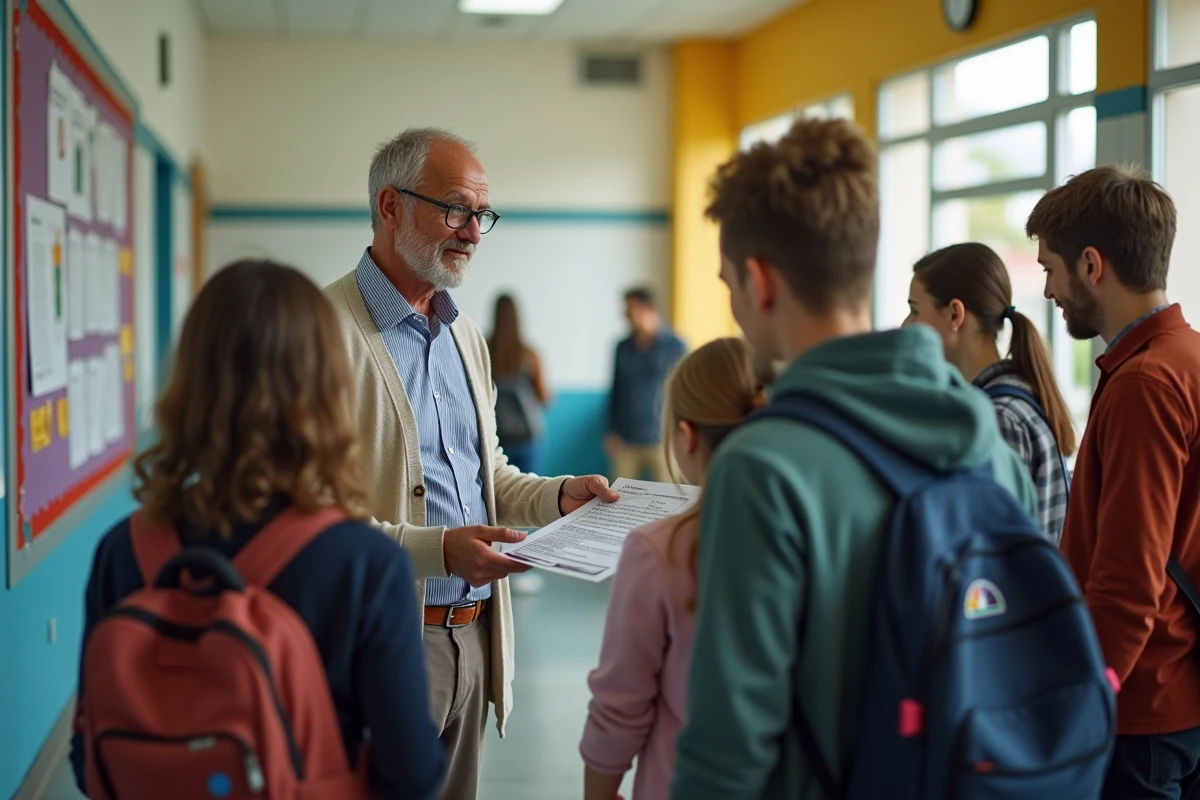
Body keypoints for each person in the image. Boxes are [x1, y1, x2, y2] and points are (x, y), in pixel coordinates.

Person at [670, 118, 1037, 799]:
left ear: (759, 281)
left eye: (728, 284)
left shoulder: (763, 467)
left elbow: (730, 746)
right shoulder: (987, 442)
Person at [71, 260, 446, 799]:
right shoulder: (364, 564)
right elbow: (411, 776)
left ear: (190, 385)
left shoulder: (123, 550)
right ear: (325, 391)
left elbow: (88, 752)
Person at [325, 127, 618, 800]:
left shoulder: (463, 335)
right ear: (390, 206)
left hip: (475, 637)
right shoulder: (318, 333)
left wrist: (560, 496)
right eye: (455, 209)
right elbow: (308, 522)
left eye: (481, 214)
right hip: (380, 644)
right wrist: (438, 553)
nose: (473, 233)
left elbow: (489, 475)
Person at [1026, 165, 1200, 799]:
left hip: (1140, 709)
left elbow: (1129, 577)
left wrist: (1078, 704)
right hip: (1177, 692)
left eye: (1051, 268)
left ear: (1092, 265)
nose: (1048, 290)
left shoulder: (1144, 383)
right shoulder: (1187, 358)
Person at [581, 337, 766, 800]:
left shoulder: (657, 551)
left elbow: (620, 705)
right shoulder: (821, 534)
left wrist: (598, 793)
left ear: (685, 437)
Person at [905, 242, 1076, 543]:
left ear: (955, 314)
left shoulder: (999, 418)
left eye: (915, 310)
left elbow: (990, 550)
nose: (907, 325)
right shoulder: (1018, 395)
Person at [605, 287, 687, 483]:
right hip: (626, 439)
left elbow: (685, 392)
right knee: (618, 496)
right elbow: (616, 389)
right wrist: (611, 430)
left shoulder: (676, 346)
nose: (625, 316)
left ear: (647, 308)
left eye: (629, 310)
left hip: (663, 439)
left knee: (668, 498)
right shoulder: (622, 347)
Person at [488, 293, 550, 476]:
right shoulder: (529, 355)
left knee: (498, 494)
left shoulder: (485, 350)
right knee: (530, 493)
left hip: (496, 437)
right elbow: (545, 398)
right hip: (526, 436)